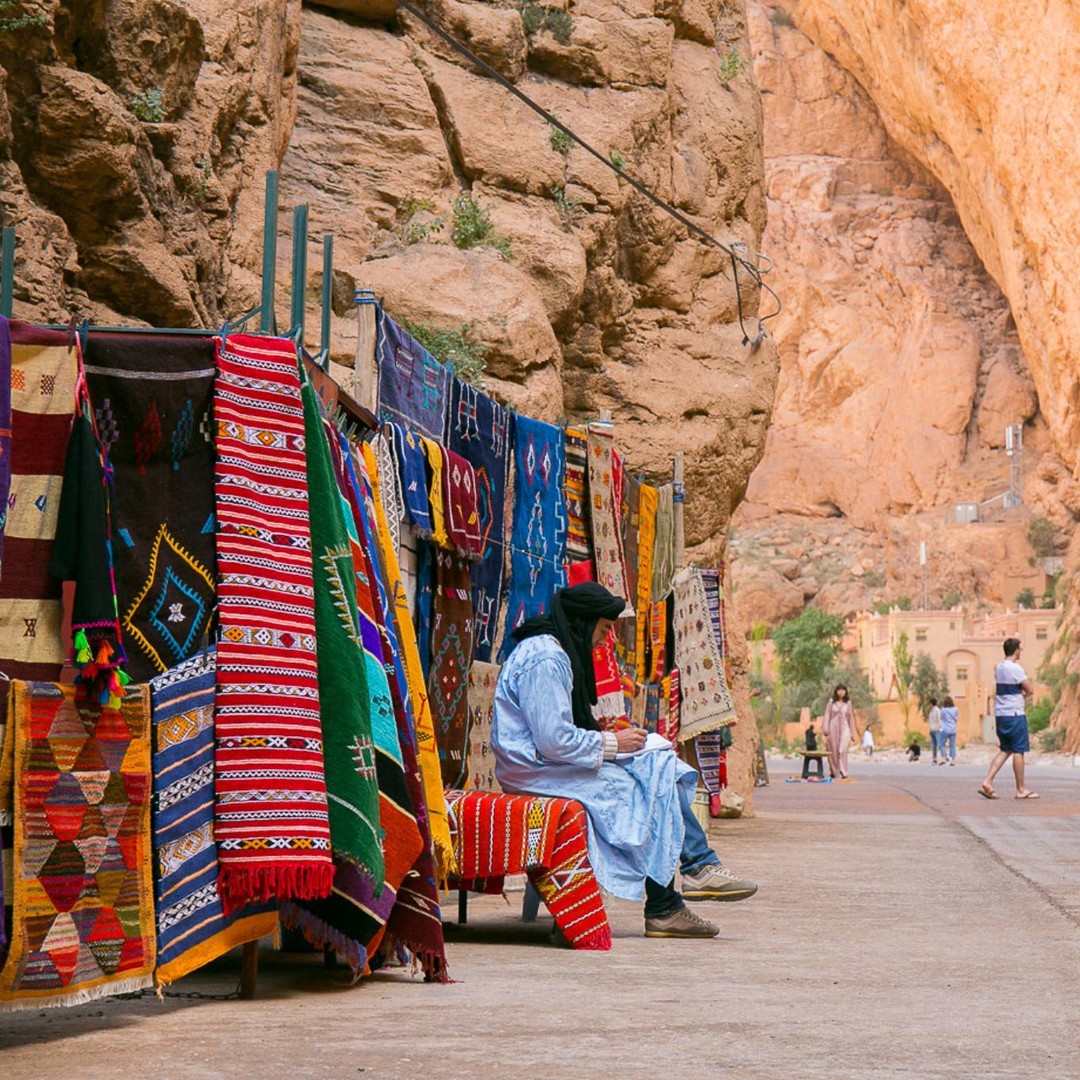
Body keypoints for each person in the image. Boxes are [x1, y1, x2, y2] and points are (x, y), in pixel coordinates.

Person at [492, 582, 758, 940]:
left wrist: (617, 743)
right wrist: (614, 743)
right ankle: (674, 896)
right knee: (643, 789)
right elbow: (554, 740)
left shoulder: (552, 651)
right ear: (584, 622)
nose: (604, 640)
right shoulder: (547, 659)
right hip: (535, 770)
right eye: (603, 629)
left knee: (660, 768)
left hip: (549, 764)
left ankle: (694, 872)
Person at [979, 638, 1037, 800]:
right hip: (1015, 714)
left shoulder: (999, 667)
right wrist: (1022, 694)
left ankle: (987, 781)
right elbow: (1030, 689)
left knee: (1006, 749)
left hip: (1001, 714)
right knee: (1018, 750)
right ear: (1016, 650)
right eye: (1020, 649)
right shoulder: (1016, 668)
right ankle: (1021, 789)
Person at [822, 684, 857, 779]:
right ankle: (834, 771)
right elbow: (827, 715)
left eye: (843, 690)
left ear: (845, 692)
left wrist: (852, 734)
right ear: (836, 691)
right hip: (833, 728)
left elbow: (850, 718)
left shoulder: (848, 703)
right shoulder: (831, 702)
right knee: (833, 751)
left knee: (842, 749)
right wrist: (825, 730)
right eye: (839, 690)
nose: (841, 692)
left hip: (845, 728)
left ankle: (843, 771)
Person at [938, 696, 958, 765]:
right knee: (952, 745)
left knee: (941, 744)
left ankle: (943, 758)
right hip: (953, 729)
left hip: (945, 729)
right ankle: (953, 761)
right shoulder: (955, 709)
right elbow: (956, 719)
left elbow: (941, 718)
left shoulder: (943, 710)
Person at [927, 697, 942, 764]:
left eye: (929, 703)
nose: (929, 705)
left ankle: (944, 757)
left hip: (936, 730)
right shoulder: (931, 711)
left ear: (931, 703)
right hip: (932, 730)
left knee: (939, 744)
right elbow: (931, 721)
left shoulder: (937, 710)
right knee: (933, 745)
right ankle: (934, 759)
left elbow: (939, 720)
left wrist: (938, 728)